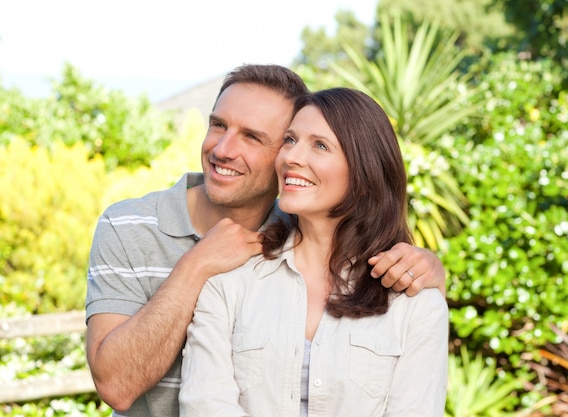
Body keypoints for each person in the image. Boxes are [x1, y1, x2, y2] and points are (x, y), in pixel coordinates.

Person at [86, 65, 446, 417]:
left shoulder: (296, 229)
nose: (222, 149)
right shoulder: (130, 227)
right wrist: (197, 264)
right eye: (218, 125)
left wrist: (428, 276)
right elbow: (119, 387)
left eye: (253, 137)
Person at [179, 87, 449, 417]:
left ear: (365, 170)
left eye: (320, 145)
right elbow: (204, 406)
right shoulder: (229, 281)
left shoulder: (416, 304)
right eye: (290, 140)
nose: (291, 157)